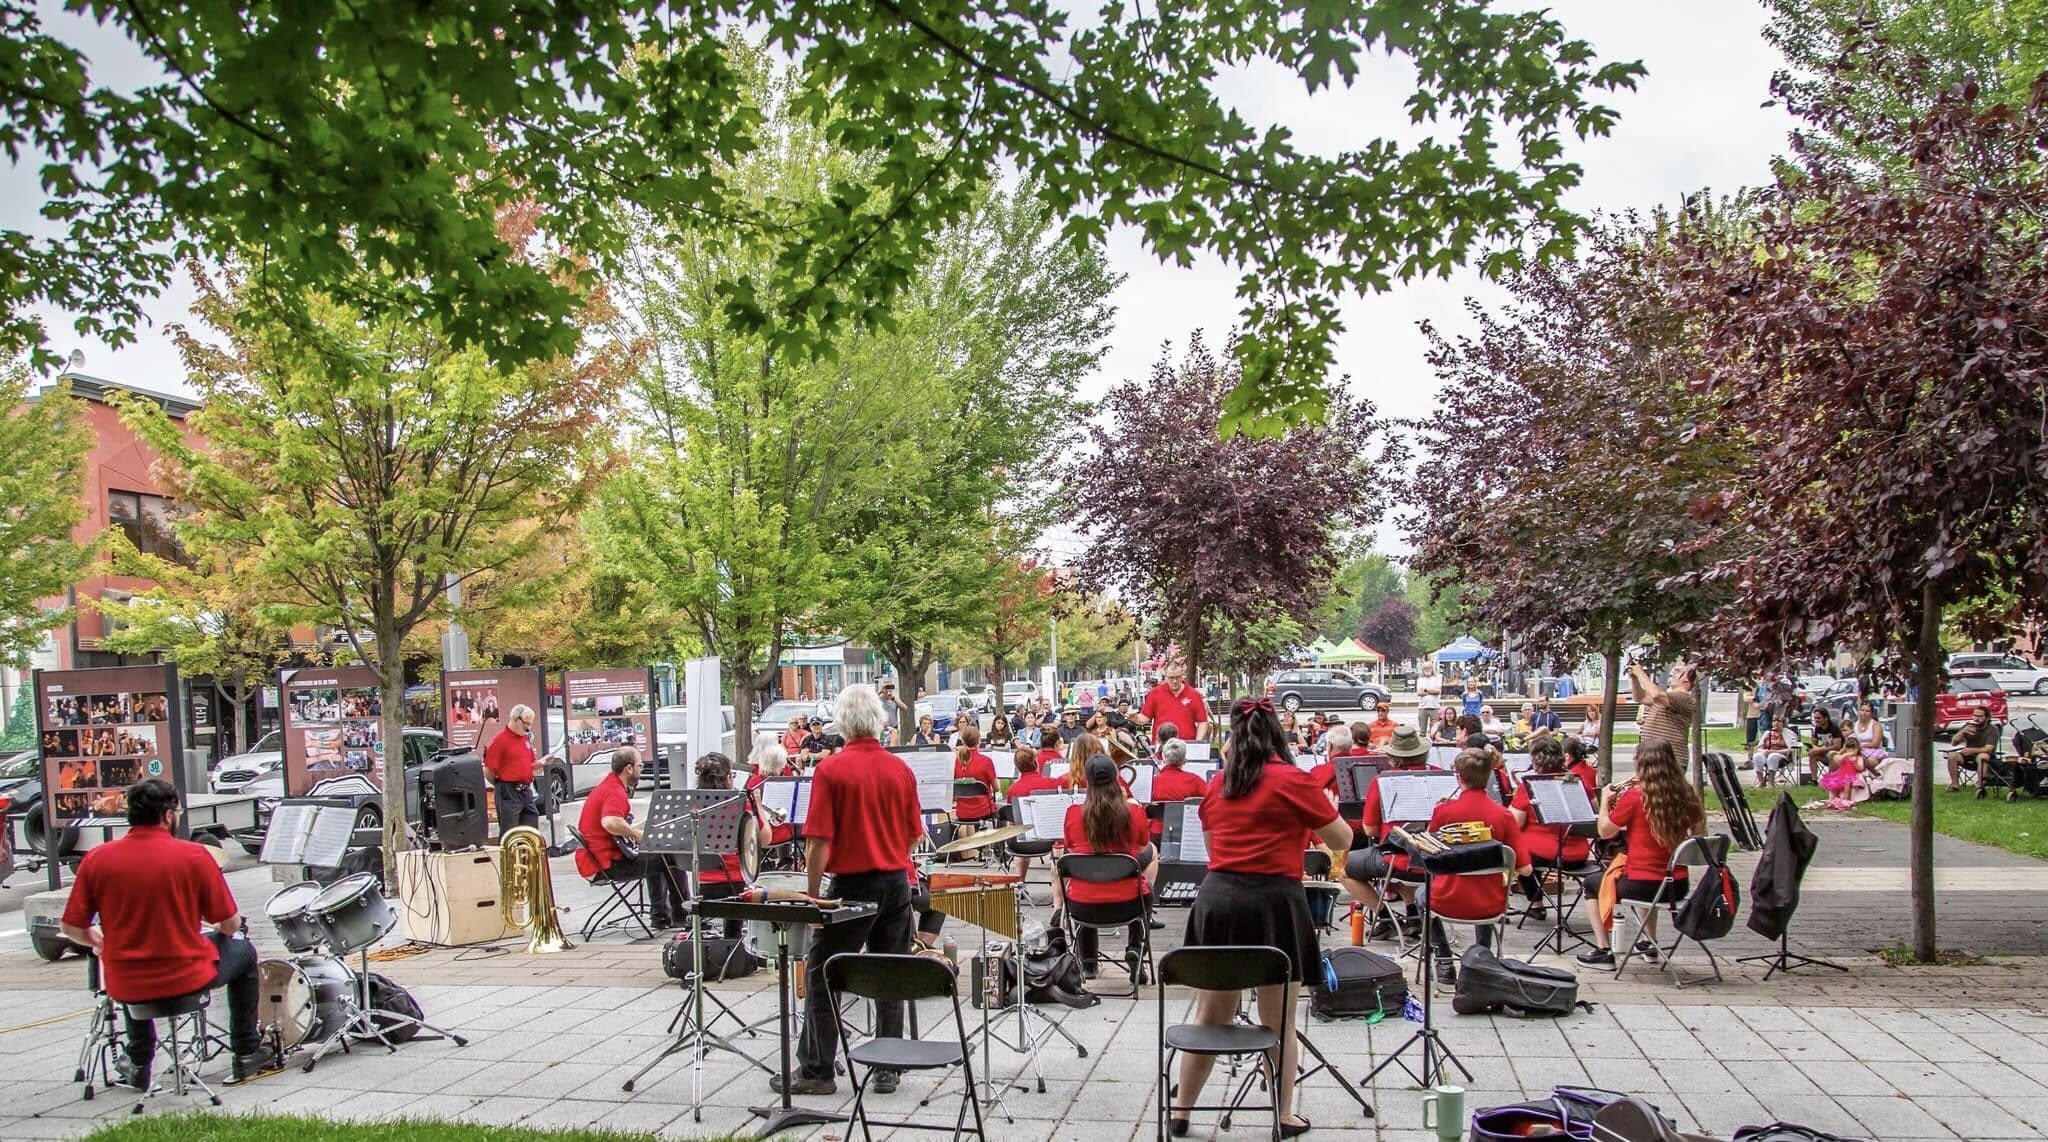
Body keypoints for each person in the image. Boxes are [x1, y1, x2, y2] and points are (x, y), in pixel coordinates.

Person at [1168, 698, 1351, 1139]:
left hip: (1219, 899)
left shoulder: (1220, 783)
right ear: (1277, 735)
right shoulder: (1293, 779)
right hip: (1275, 900)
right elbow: (1342, 837)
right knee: (1279, 1018)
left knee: (1210, 1012)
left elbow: (1214, 848)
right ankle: (1283, 1115)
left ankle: (1182, 1109)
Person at [60, 779, 277, 1086]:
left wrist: (97, 941)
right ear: (166, 815)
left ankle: (138, 1061)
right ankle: (246, 1051)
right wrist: (218, 926)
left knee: (123, 959)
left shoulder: (97, 859)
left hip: (127, 984)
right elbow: (229, 924)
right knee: (244, 951)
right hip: (187, 977)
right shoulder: (194, 856)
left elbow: (71, 927)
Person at [780, 685, 923, 1097]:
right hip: (895, 882)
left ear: (842, 724)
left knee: (824, 974)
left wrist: (812, 893)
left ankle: (817, 1070)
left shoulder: (831, 770)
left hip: (850, 887)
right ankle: (887, 1067)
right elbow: (914, 836)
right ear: (879, 720)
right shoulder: (900, 770)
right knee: (890, 972)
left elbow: (818, 842)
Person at [1575, 740, 1704, 967]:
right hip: (1677, 885)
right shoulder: (1687, 793)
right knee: (1645, 874)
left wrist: (1605, 802)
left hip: (1643, 884)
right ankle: (1649, 942)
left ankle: (1604, 950)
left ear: (1641, 764)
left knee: (1590, 883)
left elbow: (1605, 832)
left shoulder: (1636, 796)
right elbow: (1700, 836)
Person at [1420, 749, 1537, 984]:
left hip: (1446, 899)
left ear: (1458, 778)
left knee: (1421, 895)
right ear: (1490, 776)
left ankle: (1444, 960)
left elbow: (1428, 856)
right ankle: (1481, 958)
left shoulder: (1444, 811)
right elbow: (1526, 870)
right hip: (1491, 903)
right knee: (1485, 886)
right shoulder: (1503, 815)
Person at [1059, 754, 1157, 979]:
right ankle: (1135, 949)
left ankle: (1089, 963)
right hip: (1127, 904)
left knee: (1088, 882)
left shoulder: (1074, 813)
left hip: (1082, 905)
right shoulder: (1133, 812)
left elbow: (1070, 846)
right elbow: (1142, 847)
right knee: (1145, 891)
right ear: (1116, 778)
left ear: (1088, 781)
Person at [576, 747, 681, 928]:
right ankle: (682, 915)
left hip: (597, 860)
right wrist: (636, 834)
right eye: (640, 765)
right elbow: (609, 822)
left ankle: (661, 916)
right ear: (629, 768)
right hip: (606, 864)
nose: (641, 769)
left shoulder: (609, 785)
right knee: (672, 856)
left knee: (655, 854)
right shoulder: (614, 791)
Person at [1508, 737, 1592, 919]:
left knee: (1514, 850)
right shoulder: (1577, 781)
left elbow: (1513, 824)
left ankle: (1536, 903)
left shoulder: (1531, 785)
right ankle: (1535, 903)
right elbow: (1592, 812)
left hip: (1548, 854)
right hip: (1580, 853)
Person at [690, 752, 751, 937]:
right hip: (734, 880)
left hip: (702, 880)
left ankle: (699, 944)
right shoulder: (739, 804)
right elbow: (765, 838)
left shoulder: (693, 806)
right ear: (726, 778)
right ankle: (733, 946)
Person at [1005, 744, 1067, 883]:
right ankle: (1058, 890)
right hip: (1046, 840)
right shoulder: (1050, 783)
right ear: (1035, 762)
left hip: (1020, 843)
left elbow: (1012, 822)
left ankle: (1020, 882)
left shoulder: (1013, 789)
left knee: (1020, 831)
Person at [1630, 661, 1699, 774]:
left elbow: (1656, 694)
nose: (1673, 673)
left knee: (1663, 792)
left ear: (1686, 680)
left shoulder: (1684, 698)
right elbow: (1640, 697)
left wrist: (1640, 673)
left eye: (1679, 672)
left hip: (1669, 761)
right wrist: (1634, 678)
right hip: (1652, 758)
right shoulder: (1667, 699)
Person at [482, 703, 542, 831]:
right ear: (516, 720)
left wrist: (541, 763)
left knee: (531, 829)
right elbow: (489, 770)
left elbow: (528, 763)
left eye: (530, 725)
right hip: (509, 790)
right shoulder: (500, 740)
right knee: (510, 830)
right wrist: (501, 785)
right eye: (526, 724)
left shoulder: (524, 739)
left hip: (526, 790)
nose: (528, 728)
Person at [1141, 664, 1210, 744]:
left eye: (1177, 677)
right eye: (1171, 678)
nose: (1175, 681)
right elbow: (1144, 718)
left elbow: (1202, 721)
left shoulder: (1194, 694)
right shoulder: (1154, 693)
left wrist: (1197, 742)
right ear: (1166, 677)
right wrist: (1134, 717)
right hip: (1162, 745)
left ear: (1182, 676)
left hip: (1186, 745)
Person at [1946, 706, 2000, 794]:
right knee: (1952, 755)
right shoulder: (1968, 726)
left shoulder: (1992, 729)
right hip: (1967, 757)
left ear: (1987, 718)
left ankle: (1980, 784)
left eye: (1980, 716)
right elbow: (1954, 743)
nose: (1976, 719)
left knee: (1982, 756)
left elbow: (1989, 749)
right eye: (1975, 715)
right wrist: (1962, 732)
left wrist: (1972, 750)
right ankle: (1955, 785)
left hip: (1986, 758)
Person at [952, 725, 999, 825]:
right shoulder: (986, 761)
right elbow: (996, 788)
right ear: (979, 740)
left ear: (963, 741)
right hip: (984, 811)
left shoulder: (957, 762)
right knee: (1002, 810)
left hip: (963, 813)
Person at [1751, 714, 1800, 788]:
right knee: (1757, 756)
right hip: (1766, 753)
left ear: (1783, 723)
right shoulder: (1767, 733)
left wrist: (1774, 751)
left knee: (1773, 756)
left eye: (1779, 721)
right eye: (1774, 721)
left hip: (1782, 756)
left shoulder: (1790, 733)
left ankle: (1771, 782)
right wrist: (1763, 751)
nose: (1776, 723)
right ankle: (1761, 781)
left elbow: (1791, 749)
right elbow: (1759, 747)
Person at [1416, 662, 1443, 731]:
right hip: (1422, 707)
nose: (1427, 669)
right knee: (1422, 730)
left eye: (1429, 668)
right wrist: (1431, 691)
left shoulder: (1437, 678)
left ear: (1432, 669)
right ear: (1422, 669)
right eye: (1425, 668)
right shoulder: (1420, 680)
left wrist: (1425, 689)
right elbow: (1419, 693)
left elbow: (1437, 691)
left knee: (1434, 730)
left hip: (1435, 707)